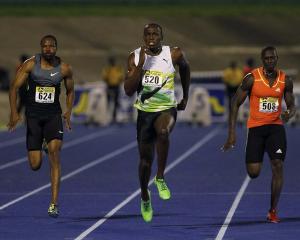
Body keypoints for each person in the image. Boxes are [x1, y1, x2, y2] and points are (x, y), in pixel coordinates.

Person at [124, 23, 190, 222]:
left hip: (166, 108)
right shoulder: (134, 57)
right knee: (145, 162)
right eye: (148, 34)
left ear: (161, 37)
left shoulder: (174, 54)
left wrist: (185, 96)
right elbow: (128, 90)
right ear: (143, 37)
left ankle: (160, 177)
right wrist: (141, 65)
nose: (151, 37)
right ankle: (145, 194)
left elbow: (185, 69)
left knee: (163, 132)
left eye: (155, 34)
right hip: (144, 113)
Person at [222, 46, 296, 223]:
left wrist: (289, 113)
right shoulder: (252, 78)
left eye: (273, 58)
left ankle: (272, 210)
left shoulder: (286, 80)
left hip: (275, 128)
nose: (270, 61)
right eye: (267, 58)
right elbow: (234, 103)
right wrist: (231, 134)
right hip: (256, 128)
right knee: (253, 172)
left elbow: (291, 104)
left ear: (276, 59)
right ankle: (255, 163)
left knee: (278, 165)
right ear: (262, 60)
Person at [7, 35, 74, 218]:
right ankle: (42, 144)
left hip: (53, 116)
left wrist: (68, 110)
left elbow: (70, 90)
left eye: (51, 46)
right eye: (45, 46)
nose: (48, 49)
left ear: (56, 48)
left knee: (55, 154)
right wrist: (14, 112)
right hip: (34, 118)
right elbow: (13, 87)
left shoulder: (64, 68)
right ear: (41, 48)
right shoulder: (30, 65)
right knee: (35, 165)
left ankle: (54, 204)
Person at [101, 56, 124, 123]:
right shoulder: (107, 69)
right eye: (111, 61)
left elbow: (121, 77)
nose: (112, 62)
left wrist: (119, 82)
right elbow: (104, 77)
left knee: (116, 102)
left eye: (113, 61)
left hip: (116, 87)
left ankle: (115, 117)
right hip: (109, 87)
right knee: (108, 102)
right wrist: (108, 82)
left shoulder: (118, 68)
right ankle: (108, 116)